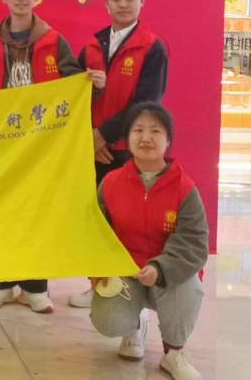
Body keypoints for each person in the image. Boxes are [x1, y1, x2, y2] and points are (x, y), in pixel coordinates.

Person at [0, 0, 82, 314]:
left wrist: (87, 82)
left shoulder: (54, 41)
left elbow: (73, 84)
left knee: (38, 212)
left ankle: (35, 287)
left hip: (42, 147)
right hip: (1, 145)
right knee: (2, 210)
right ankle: (0, 283)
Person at [71, 0, 169, 309]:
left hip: (128, 151)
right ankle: (97, 283)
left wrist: (103, 135)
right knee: (95, 218)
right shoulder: (91, 45)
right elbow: (73, 95)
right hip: (92, 150)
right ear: (106, 3)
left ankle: (129, 292)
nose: (123, 4)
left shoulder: (153, 47)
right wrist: (90, 134)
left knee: (127, 223)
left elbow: (146, 104)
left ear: (142, 1)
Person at [90, 102, 205, 380]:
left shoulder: (185, 189)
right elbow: (96, 233)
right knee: (108, 320)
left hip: (169, 275)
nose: (146, 138)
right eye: (138, 130)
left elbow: (193, 242)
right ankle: (133, 327)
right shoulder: (110, 183)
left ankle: (174, 353)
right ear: (127, 138)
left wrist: (159, 268)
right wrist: (98, 270)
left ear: (168, 140)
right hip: (126, 275)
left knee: (189, 287)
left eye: (155, 131)